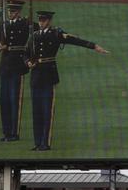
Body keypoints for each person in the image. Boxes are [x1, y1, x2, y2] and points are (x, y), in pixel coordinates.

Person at [25, 10, 109, 150]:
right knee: (36, 112)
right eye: (40, 20)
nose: (41, 23)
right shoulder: (33, 36)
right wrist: (28, 62)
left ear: (49, 21)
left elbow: (74, 40)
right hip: (36, 76)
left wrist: (94, 46)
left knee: (47, 111)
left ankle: (45, 143)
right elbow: (26, 54)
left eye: (44, 20)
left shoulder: (56, 34)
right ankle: (37, 142)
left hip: (48, 75)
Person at [0, 0, 33, 141]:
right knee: (4, 101)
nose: (11, 13)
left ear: (19, 12)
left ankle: (14, 132)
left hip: (17, 65)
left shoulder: (25, 24)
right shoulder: (4, 25)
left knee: (15, 101)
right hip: (5, 66)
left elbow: (41, 30)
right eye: (9, 11)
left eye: (13, 11)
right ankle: (6, 132)